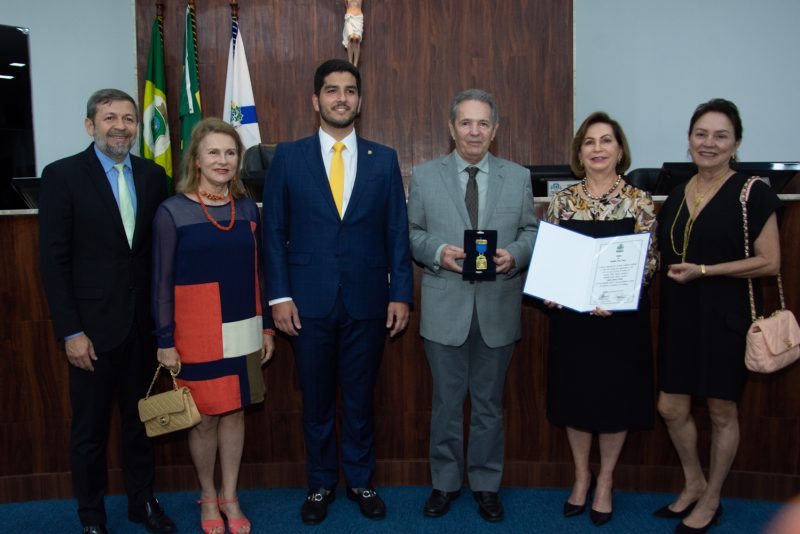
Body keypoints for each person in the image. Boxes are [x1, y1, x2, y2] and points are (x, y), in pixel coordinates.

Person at [262, 58, 413, 525]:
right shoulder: (287, 156)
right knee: (317, 399)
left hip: (368, 301)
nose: (341, 97)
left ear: (360, 101)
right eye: (332, 90)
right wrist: (279, 297)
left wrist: (401, 293)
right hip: (306, 303)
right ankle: (321, 484)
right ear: (316, 100)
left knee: (361, 398)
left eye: (349, 90)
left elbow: (397, 232)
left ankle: (361, 480)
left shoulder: (383, 158)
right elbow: (273, 232)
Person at [38, 89, 176, 534]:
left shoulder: (154, 176)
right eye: (110, 117)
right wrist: (70, 331)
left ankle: (142, 503)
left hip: (143, 328)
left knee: (141, 425)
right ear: (89, 125)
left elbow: (158, 255)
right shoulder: (61, 176)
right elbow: (53, 262)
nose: (121, 126)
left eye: (129, 119)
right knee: (90, 432)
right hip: (91, 333)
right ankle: (92, 515)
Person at [407, 88, 538, 522]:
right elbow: (410, 233)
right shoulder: (425, 176)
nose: (474, 131)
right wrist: (437, 251)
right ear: (451, 127)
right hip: (445, 309)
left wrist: (515, 255)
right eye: (466, 122)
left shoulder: (518, 177)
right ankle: (444, 484)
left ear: (495, 129)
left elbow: (531, 232)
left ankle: (485, 484)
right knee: (446, 403)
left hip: (498, 310)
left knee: (487, 405)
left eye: (483, 123)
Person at [656, 98, 781, 534]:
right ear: (689, 139)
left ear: (736, 143)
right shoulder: (675, 193)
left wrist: (706, 271)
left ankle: (712, 498)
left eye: (720, 136)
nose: (708, 144)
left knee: (721, 411)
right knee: (671, 407)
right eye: (701, 134)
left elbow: (770, 262)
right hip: (679, 316)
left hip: (726, 317)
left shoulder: (754, 193)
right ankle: (693, 483)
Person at [152, 118, 275, 534]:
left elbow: (258, 272)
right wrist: (165, 340)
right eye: (214, 153)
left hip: (242, 323)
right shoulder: (172, 212)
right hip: (194, 329)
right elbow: (161, 284)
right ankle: (207, 496)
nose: (223, 161)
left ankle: (231, 495)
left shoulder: (246, 208)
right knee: (203, 416)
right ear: (197, 159)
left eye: (230, 152)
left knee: (235, 411)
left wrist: (267, 328)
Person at [543, 112, 658, 527]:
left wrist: (617, 296)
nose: (597, 149)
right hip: (574, 322)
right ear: (579, 152)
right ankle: (581, 477)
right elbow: (551, 260)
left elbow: (649, 261)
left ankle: (606, 481)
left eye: (606, 141)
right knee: (576, 399)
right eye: (589, 142)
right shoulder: (562, 201)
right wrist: (555, 292)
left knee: (614, 401)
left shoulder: (639, 201)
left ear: (620, 150)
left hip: (619, 321)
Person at [342, 0, 364, 66]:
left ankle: (355, 65)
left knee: (357, 40)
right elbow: (346, 5)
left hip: (358, 18)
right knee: (351, 38)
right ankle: (350, 62)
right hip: (349, 17)